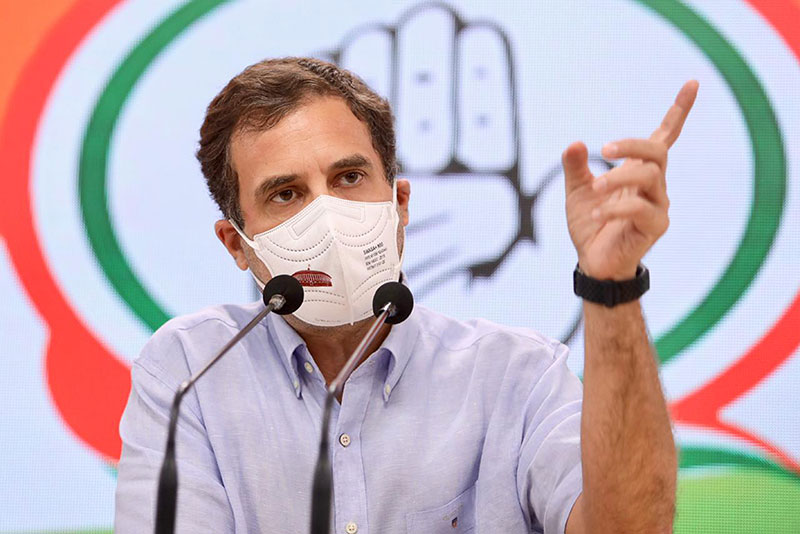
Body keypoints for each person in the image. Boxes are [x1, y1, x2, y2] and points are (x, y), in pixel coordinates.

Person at [114, 56, 698, 534]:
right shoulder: (190, 374)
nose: (329, 218)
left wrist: (612, 286)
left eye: (349, 178)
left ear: (400, 205)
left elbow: (630, 529)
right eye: (286, 194)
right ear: (236, 245)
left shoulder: (517, 376)